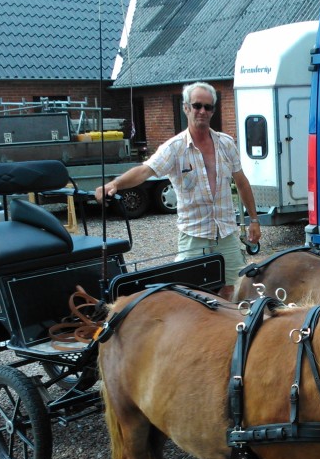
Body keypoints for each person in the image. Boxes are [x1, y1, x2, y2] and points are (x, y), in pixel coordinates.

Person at [96, 81, 260, 299]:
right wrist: (115, 184)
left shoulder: (226, 144)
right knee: (189, 294)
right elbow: (145, 171)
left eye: (208, 107)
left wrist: (255, 220)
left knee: (233, 288)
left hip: (226, 232)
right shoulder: (174, 148)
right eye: (197, 105)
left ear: (213, 110)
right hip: (194, 234)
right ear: (186, 108)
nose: (202, 111)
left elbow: (242, 182)